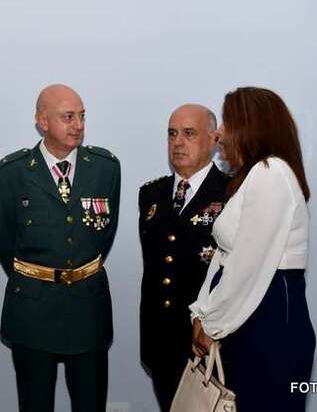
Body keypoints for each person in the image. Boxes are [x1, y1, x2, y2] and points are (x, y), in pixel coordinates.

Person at [0, 84, 121, 412]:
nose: (78, 125)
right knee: (35, 403)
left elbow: (104, 235)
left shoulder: (105, 167)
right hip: (33, 309)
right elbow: (4, 241)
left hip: (88, 307)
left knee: (90, 403)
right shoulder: (13, 172)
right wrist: (40, 275)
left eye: (82, 116)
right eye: (68, 117)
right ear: (42, 121)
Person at [189, 86, 316, 411]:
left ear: (250, 127)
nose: (218, 133)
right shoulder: (253, 176)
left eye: (227, 123)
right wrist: (202, 312)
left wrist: (212, 323)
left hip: (267, 320)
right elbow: (224, 257)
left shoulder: (271, 174)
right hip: (247, 317)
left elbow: (247, 267)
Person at [138, 104, 228, 411]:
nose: (178, 142)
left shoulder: (231, 192)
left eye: (189, 134)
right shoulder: (151, 194)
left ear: (214, 140)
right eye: (172, 134)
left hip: (208, 340)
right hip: (160, 339)